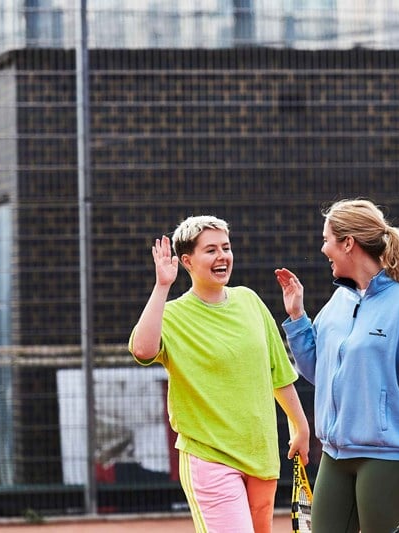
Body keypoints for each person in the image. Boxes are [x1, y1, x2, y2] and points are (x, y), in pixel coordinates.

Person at [275, 199, 399, 533]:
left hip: (388, 458)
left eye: (327, 239)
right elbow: (319, 373)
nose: (323, 247)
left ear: (348, 243)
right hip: (334, 456)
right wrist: (297, 318)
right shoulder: (337, 302)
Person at [129, 215, 310, 533]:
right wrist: (162, 286)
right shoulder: (172, 315)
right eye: (210, 250)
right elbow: (142, 350)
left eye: (225, 247)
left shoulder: (250, 301)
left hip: (262, 455)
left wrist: (301, 426)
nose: (222, 256)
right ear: (187, 260)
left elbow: (279, 373)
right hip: (209, 455)